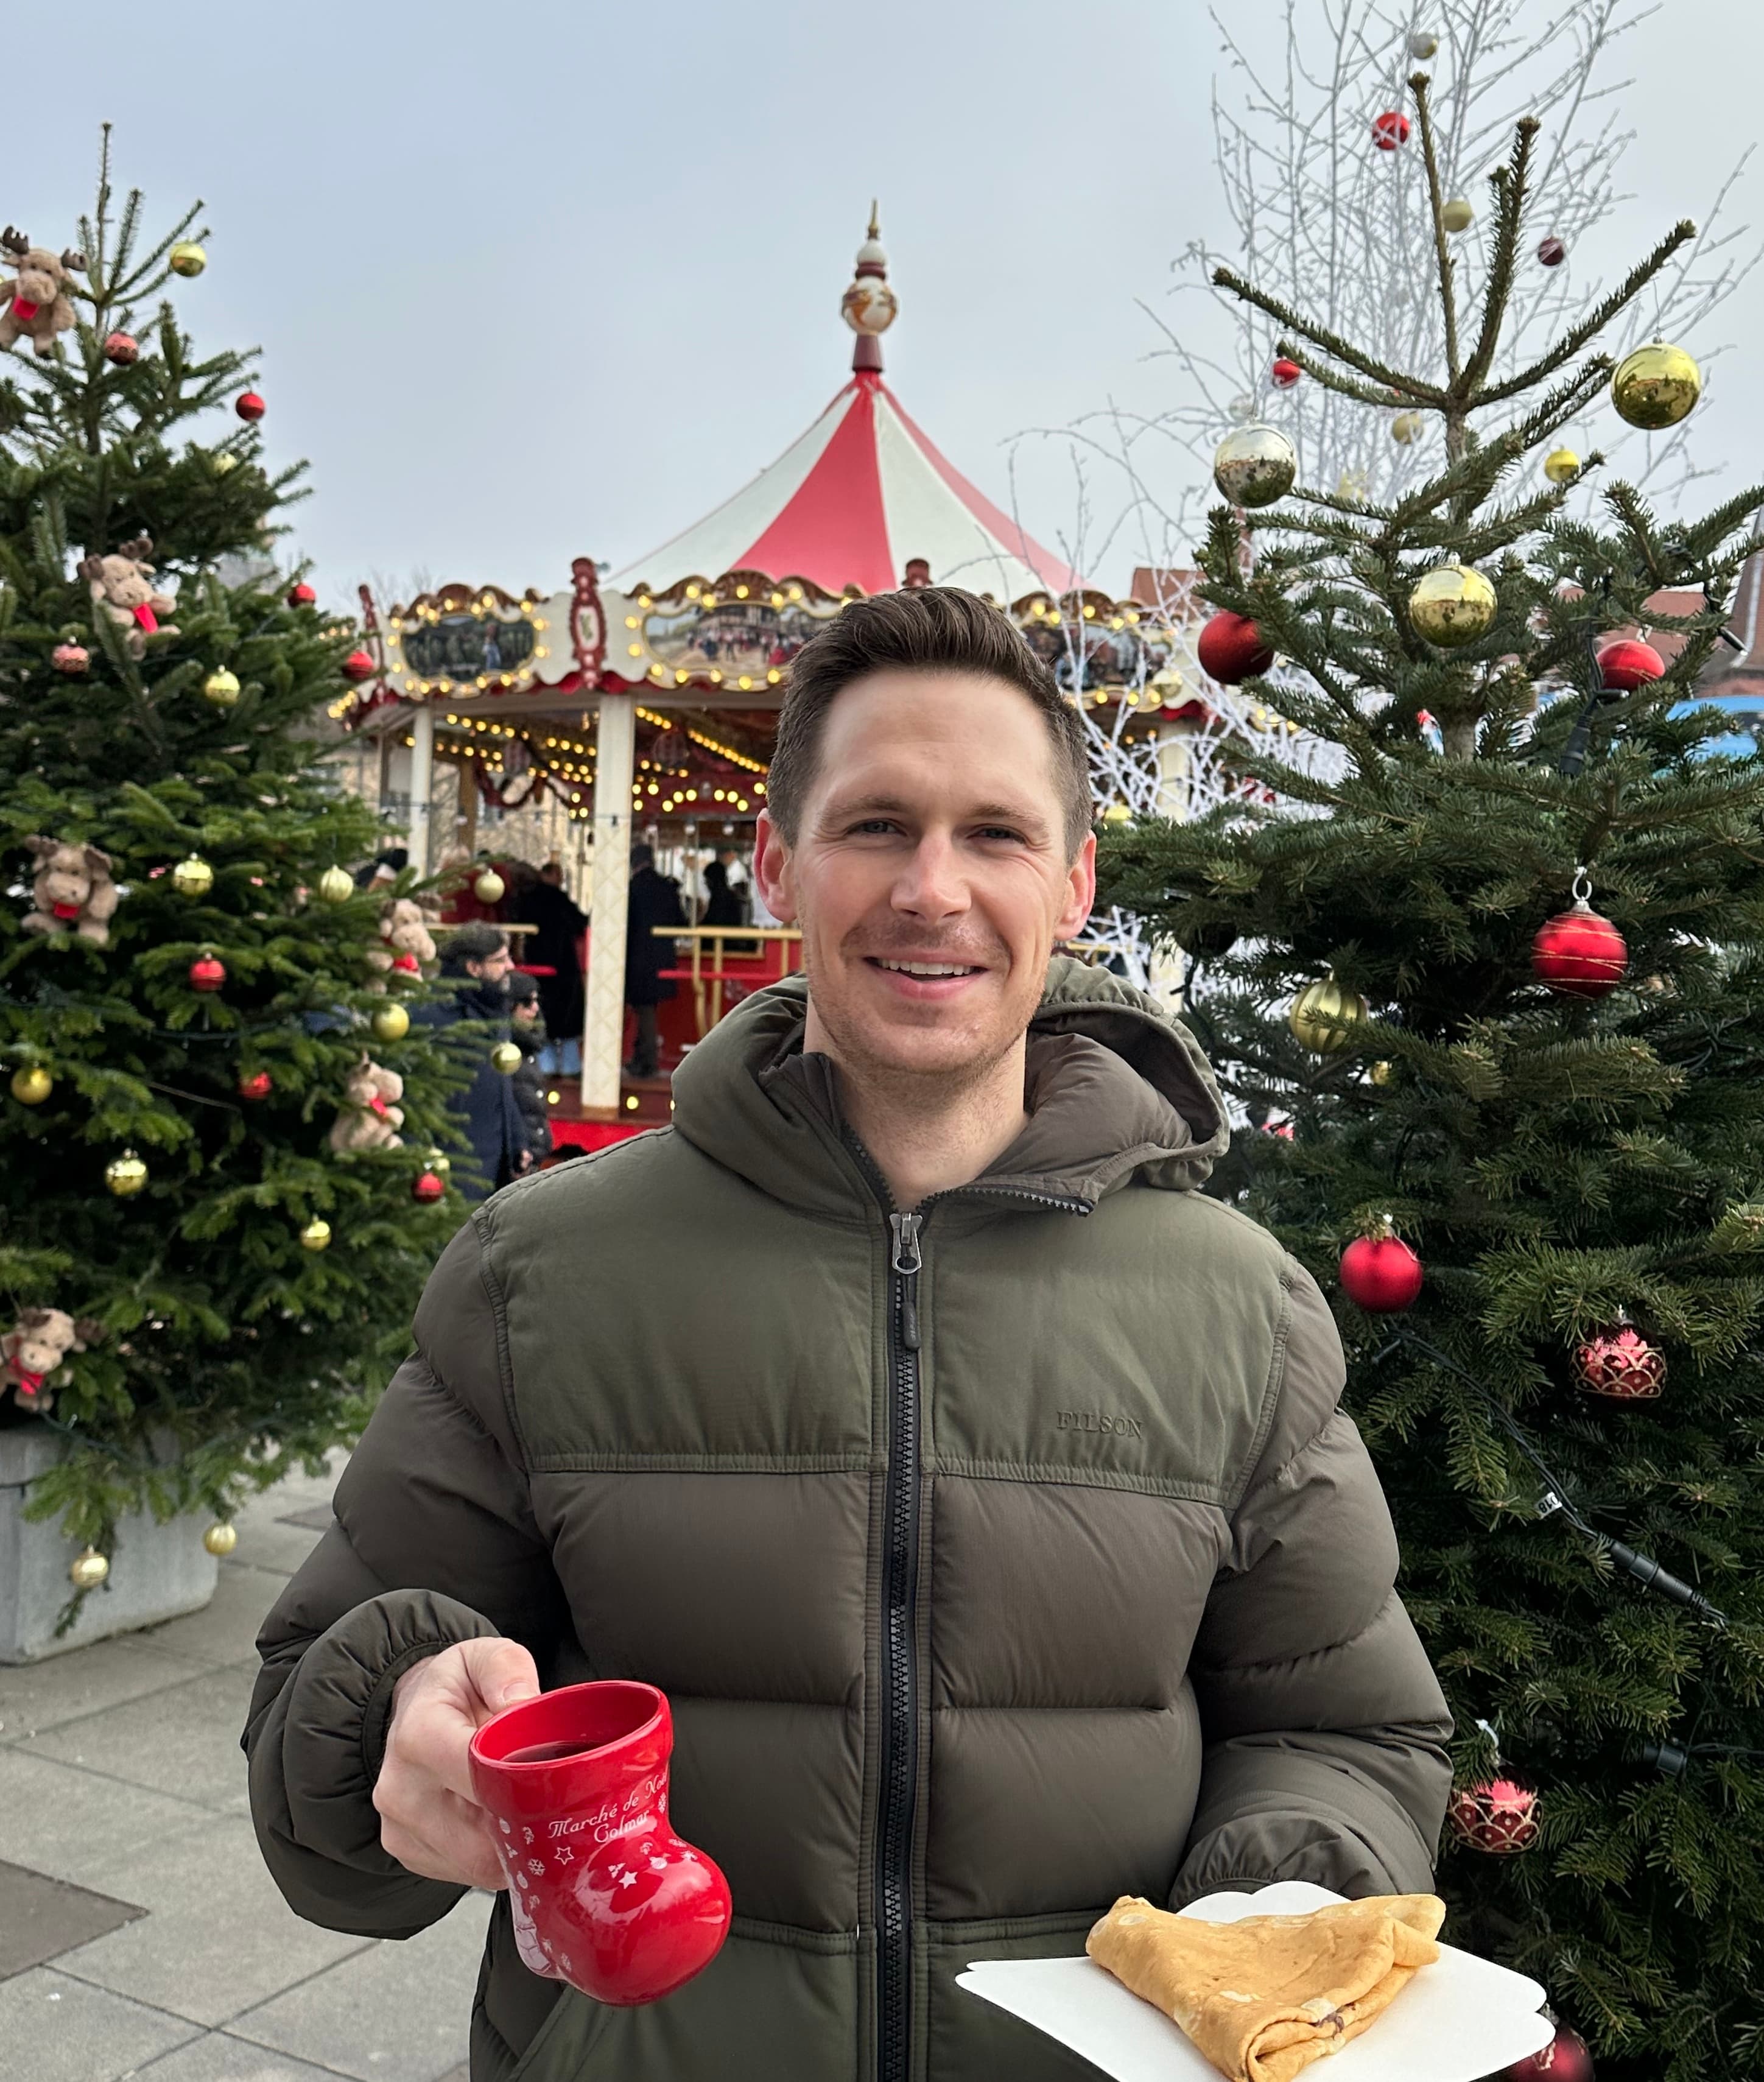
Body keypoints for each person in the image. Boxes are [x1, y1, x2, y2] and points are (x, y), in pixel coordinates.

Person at [244, 587, 1450, 2082]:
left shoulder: (1236, 1308)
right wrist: (391, 1725)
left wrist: (1269, 1901)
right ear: (774, 864)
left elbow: (1351, 1726)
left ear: (1073, 885)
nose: (932, 889)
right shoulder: (538, 1274)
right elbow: (313, 1729)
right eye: (874, 824)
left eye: (993, 835)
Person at [412, 922, 530, 1199]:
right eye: (500, 960)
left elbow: (502, 1086)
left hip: (495, 1165)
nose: (510, 966)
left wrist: (517, 1141)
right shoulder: (431, 1015)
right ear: (473, 968)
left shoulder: (494, 1009)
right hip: (452, 1166)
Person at [507, 860, 588, 1074]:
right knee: (567, 1019)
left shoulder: (523, 900)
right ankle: (571, 1066)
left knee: (541, 1013)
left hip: (537, 965)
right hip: (564, 965)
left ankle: (546, 1065)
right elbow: (580, 922)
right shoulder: (558, 898)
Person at [622, 842, 684, 1079]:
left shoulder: (631, 888)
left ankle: (647, 1062)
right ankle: (641, 1059)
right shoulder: (666, 888)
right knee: (647, 1009)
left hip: (637, 959)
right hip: (662, 959)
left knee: (643, 1010)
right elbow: (680, 922)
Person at [504, 972, 553, 1165]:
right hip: (519, 1156)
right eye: (527, 1002)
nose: (535, 1008)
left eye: (536, 1001)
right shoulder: (506, 1053)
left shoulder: (528, 1049)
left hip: (532, 1152)